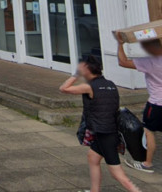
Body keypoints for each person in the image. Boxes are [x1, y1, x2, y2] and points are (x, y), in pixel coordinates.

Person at [60, 54, 142, 192]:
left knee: (118, 174)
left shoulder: (89, 86)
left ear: (87, 69)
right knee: (93, 158)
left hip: (105, 135)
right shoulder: (110, 84)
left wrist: (76, 74)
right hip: (109, 131)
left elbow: (63, 88)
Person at [116, 31, 162, 172]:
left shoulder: (151, 62)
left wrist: (120, 44)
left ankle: (147, 164)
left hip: (156, 104)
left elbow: (122, 61)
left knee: (149, 132)